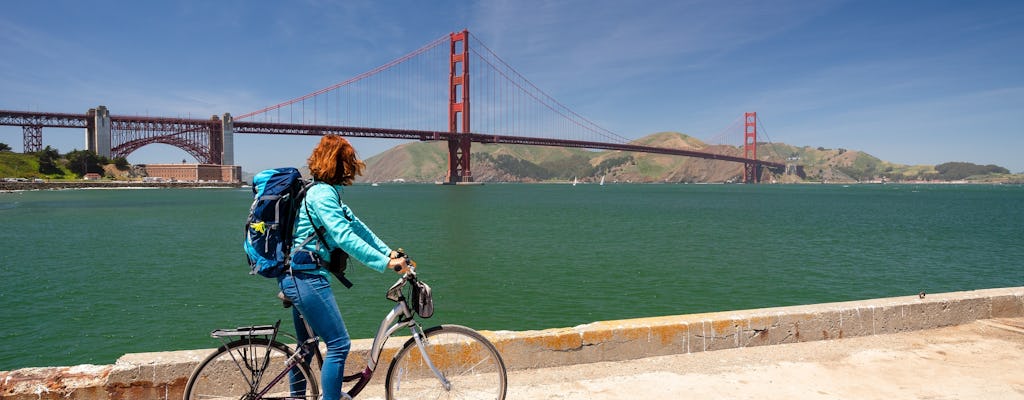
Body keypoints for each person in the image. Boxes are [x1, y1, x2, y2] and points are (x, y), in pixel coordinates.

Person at [280, 134, 408, 400]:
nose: (352, 166)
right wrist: (385, 263)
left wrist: (388, 251)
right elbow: (344, 237)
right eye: (349, 161)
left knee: (304, 349)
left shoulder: (329, 192)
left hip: (300, 274)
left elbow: (357, 228)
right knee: (339, 344)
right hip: (305, 277)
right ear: (339, 163)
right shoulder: (322, 195)